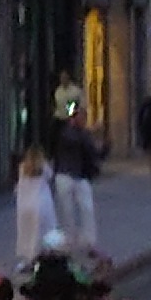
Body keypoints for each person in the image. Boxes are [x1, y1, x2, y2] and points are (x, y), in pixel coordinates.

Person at [51, 105, 103, 249]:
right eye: (81, 117)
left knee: (86, 207)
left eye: (85, 118)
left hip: (79, 175)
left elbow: (93, 152)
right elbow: (81, 145)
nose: (84, 120)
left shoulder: (83, 134)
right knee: (68, 210)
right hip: (66, 175)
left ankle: (87, 239)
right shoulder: (68, 133)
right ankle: (71, 238)